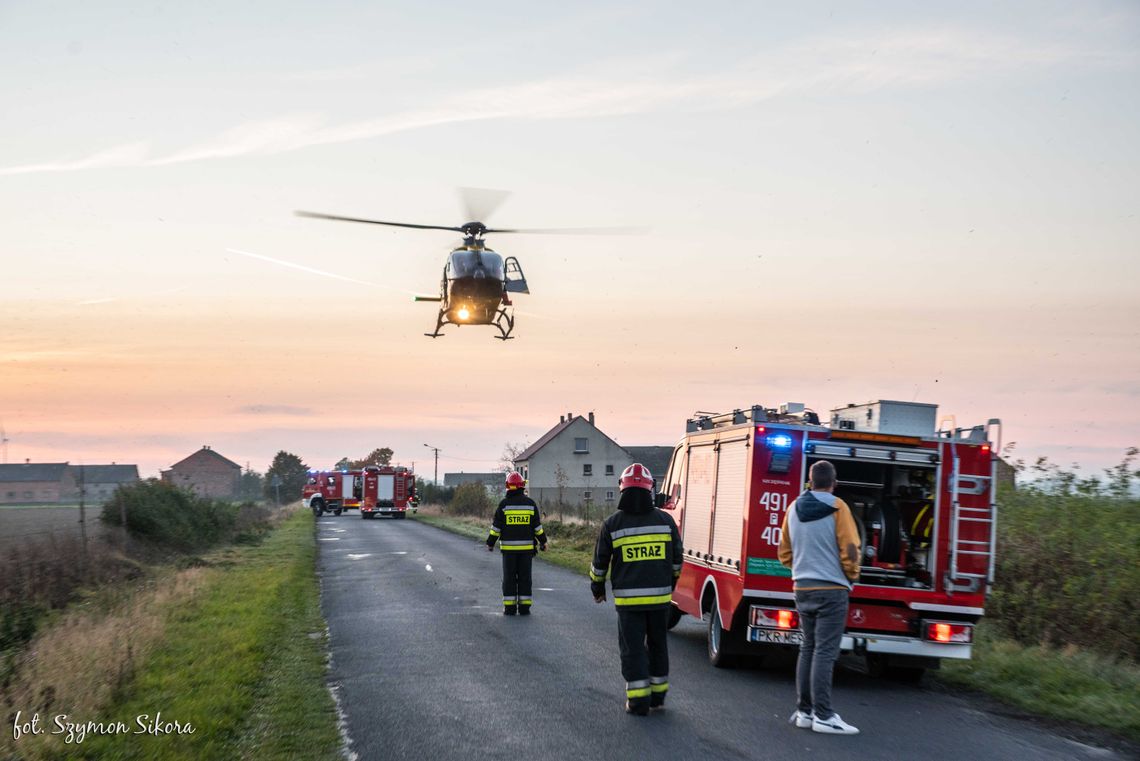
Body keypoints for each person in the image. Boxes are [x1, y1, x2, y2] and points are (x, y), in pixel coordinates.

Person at [590, 463, 683, 716]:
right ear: (650, 489)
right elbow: (677, 560)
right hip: (660, 600)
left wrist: (597, 589)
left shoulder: (612, 524)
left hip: (629, 603)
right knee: (658, 645)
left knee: (632, 649)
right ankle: (658, 696)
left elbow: (600, 563)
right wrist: (671, 584)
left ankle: (639, 701)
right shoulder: (666, 521)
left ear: (622, 489)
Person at [778, 460, 862, 735]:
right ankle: (824, 716)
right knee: (825, 651)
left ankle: (805, 712)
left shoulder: (792, 508)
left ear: (810, 481)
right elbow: (850, 548)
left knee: (808, 648)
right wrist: (851, 576)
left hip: (802, 588)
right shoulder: (839, 508)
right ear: (833, 482)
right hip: (832, 590)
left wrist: (801, 569)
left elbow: (784, 553)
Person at [486, 471, 547, 615]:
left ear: (508, 487)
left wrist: (490, 543)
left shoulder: (504, 505)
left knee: (509, 578)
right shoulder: (530, 504)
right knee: (525, 578)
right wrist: (543, 542)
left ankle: (510, 608)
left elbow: (496, 528)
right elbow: (537, 528)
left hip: (508, 551)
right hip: (526, 551)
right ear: (522, 486)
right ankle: (525, 608)